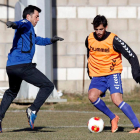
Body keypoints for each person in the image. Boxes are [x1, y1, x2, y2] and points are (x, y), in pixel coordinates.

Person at [0, 5, 64, 132]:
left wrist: (51, 40)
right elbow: (21, 23)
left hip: (11, 67)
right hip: (22, 66)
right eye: (37, 16)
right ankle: (32, 109)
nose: (38, 19)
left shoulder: (28, 31)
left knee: (11, 92)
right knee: (48, 86)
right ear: (29, 16)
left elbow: (37, 40)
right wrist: (13, 24)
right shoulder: (26, 24)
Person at [85, 15, 140, 133]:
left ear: (106, 27)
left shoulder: (114, 39)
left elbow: (132, 55)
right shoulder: (89, 38)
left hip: (112, 73)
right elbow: (89, 55)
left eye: (101, 29)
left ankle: (137, 126)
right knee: (92, 96)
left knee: (116, 100)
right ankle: (113, 117)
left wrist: (136, 74)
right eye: (96, 29)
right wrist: (88, 70)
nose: (99, 32)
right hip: (98, 76)